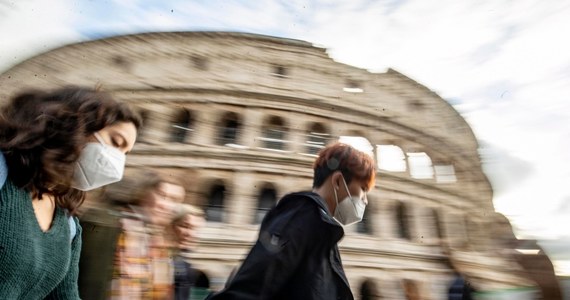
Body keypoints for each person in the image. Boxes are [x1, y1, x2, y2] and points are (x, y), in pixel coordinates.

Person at [0, 86, 140, 299]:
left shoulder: (68, 224)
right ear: (77, 124)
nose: (117, 162)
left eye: (125, 153)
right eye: (115, 142)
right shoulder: (4, 175)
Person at [208, 142, 376, 300]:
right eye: (363, 189)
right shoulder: (303, 217)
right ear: (338, 181)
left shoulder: (322, 228)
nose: (365, 200)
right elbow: (251, 290)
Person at [79, 169, 184, 299]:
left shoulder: (160, 241)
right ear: (144, 194)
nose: (168, 207)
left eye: (175, 201)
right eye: (162, 196)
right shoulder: (106, 225)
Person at [169, 204, 207, 300]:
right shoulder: (159, 258)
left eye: (196, 229)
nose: (190, 234)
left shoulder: (184, 263)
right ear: (171, 226)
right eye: (185, 226)